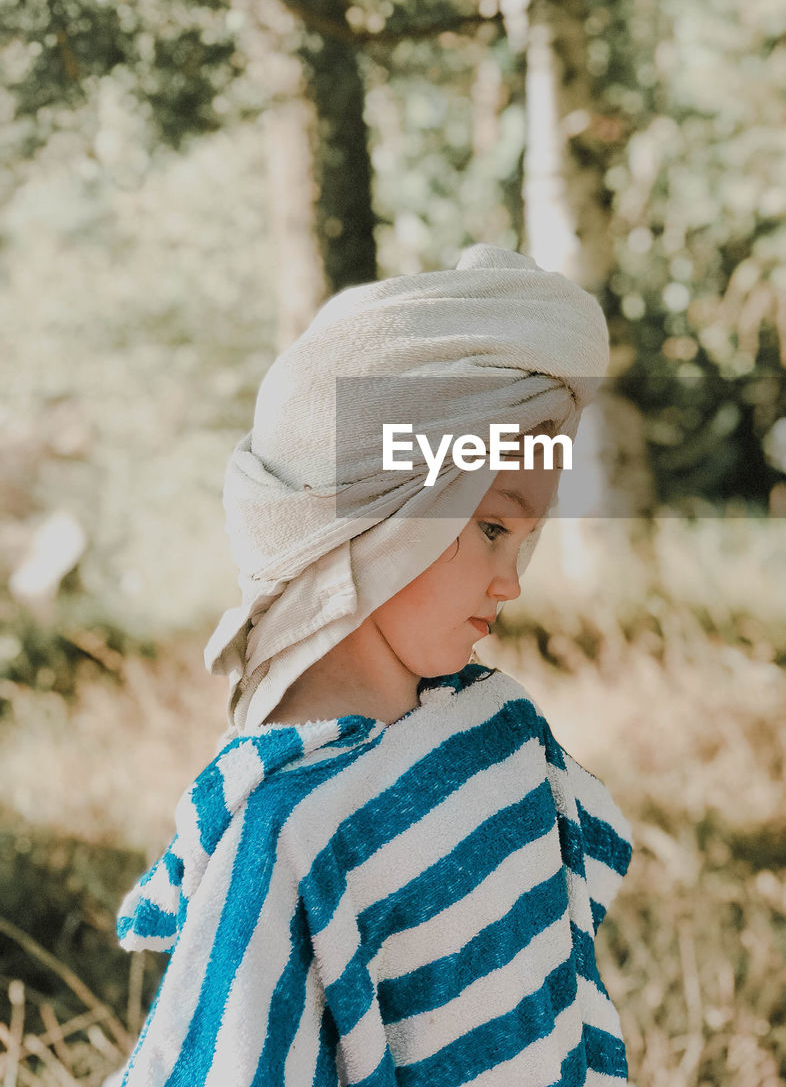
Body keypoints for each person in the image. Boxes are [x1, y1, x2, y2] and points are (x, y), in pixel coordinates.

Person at [111, 243, 633, 1086]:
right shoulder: (288, 835)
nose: (512, 583)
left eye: (527, 540)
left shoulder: (501, 736)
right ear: (389, 515)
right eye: (495, 528)